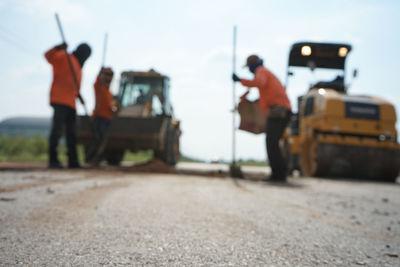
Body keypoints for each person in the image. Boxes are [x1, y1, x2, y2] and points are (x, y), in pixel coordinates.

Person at [232, 55, 292, 182]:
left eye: (249, 67)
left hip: (278, 111)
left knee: (271, 142)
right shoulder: (265, 72)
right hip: (281, 110)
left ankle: (278, 174)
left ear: (253, 65)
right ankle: (280, 172)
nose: (249, 70)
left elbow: (259, 83)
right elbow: (265, 91)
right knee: (274, 142)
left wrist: (240, 80)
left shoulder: (261, 71)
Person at [45, 42, 91, 169]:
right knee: (57, 131)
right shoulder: (64, 57)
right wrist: (58, 48)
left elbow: (73, 86)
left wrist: (79, 96)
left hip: (71, 102)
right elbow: (47, 56)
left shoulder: (78, 67)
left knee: (72, 133)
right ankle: (53, 160)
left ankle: (73, 161)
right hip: (59, 99)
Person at [85, 67, 117, 164]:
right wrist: (101, 72)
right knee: (97, 139)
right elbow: (98, 79)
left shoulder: (109, 92)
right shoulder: (99, 87)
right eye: (106, 74)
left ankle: (98, 159)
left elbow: (110, 106)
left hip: (107, 119)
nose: (109, 77)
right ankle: (89, 158)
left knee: (103, 140)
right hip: (99, 118)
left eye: (110, 75)